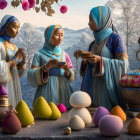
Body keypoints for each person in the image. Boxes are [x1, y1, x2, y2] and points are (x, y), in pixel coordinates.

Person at [74, 6, 129, 111]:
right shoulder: (93, 44)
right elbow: (87, 70)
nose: (88, 23)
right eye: (89, 20)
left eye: (91, 19)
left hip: (108, 92)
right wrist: (85, 60)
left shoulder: (115, 38)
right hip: (93, 90)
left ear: (102, 19)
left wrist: (101, 61)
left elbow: (123, 64)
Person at [27, 25, 74, 108]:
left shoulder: (65, 55)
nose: (60, 38)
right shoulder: (39, 55)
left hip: (64, 89)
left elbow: (71, 78)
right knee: (47, 111)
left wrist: (67, 70)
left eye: (62, 35)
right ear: (49, 36)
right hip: (47, 90)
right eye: (57, 34)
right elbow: (31, 75)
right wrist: (46, 67)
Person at [0, 15, 26, 107]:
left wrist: (22, 63)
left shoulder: (14, 46)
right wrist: (15, 59)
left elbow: (17, 71)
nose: (17, 31)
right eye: (15, 27)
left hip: (14, 82)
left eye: (18, 28)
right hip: (4, 84)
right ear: (6, 27)